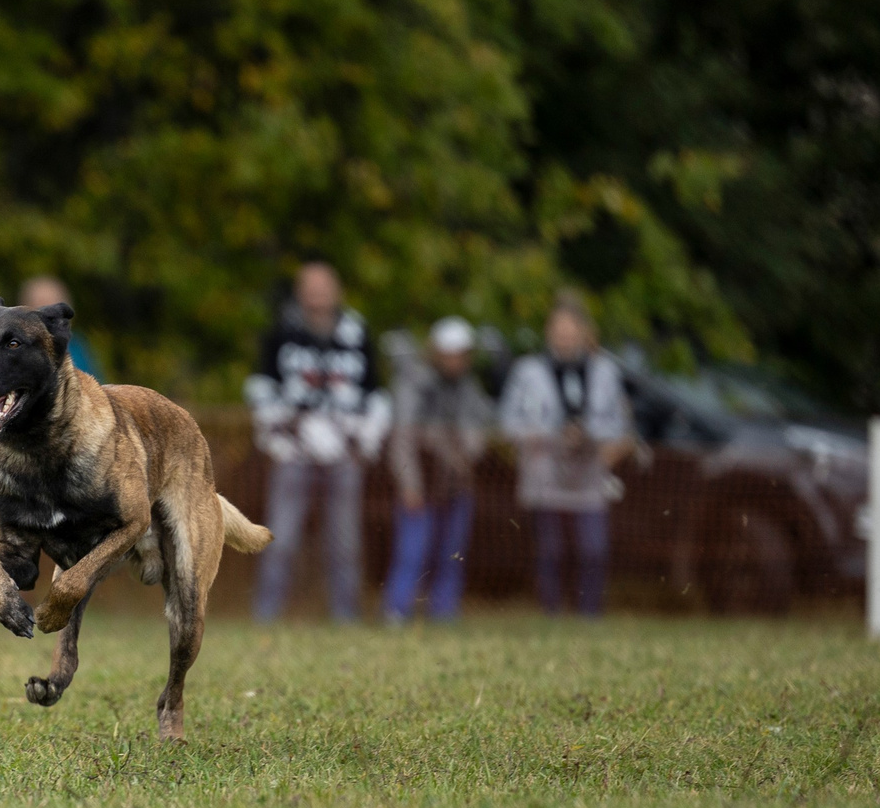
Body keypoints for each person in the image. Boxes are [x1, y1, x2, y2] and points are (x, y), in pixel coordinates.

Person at [245, 259, 388, 621]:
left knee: (345, 542)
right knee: (281, 539)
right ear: (300, 292)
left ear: (336, 290)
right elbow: (260, 388)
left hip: (344, 454)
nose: (318, 295)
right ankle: (267, 616)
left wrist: (364, 443)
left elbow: (377, 395)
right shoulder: (282, 332)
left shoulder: (357, 334)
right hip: (294, 453)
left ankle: (346, 618)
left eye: (324, 287)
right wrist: (277, 440)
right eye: (310, 287)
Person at [501, 290, 631, 616]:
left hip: (590, 471)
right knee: (550, 549)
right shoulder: (528, 371)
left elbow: (620, 424)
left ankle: (589, 612)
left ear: (584, 333)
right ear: (549, 333)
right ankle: (552, 611)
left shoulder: (605, 372)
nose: (565, 338)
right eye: (559, 331)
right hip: (545, 471)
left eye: (571, 331)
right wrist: (539, 437)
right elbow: (507, 422)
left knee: (593, 548)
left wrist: (594, 438)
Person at [381, 317, 496, 623]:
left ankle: (444, 612)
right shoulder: (413, 385)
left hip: (456, 484)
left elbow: (480, 432)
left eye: (460, 354)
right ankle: (397, 610)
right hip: (421, 486)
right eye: (449, 353)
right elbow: (402, 439)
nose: (455, 360)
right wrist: (409, 484)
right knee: (412, 553)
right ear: (435, 352)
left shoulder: (470, 388)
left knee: (451, 553)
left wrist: (462, 452)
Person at [19, 275, 103, 379]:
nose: (50, 310)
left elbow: (95, 385)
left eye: (54, 303)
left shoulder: (77, 346)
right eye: (41, 303)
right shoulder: (18, 348)